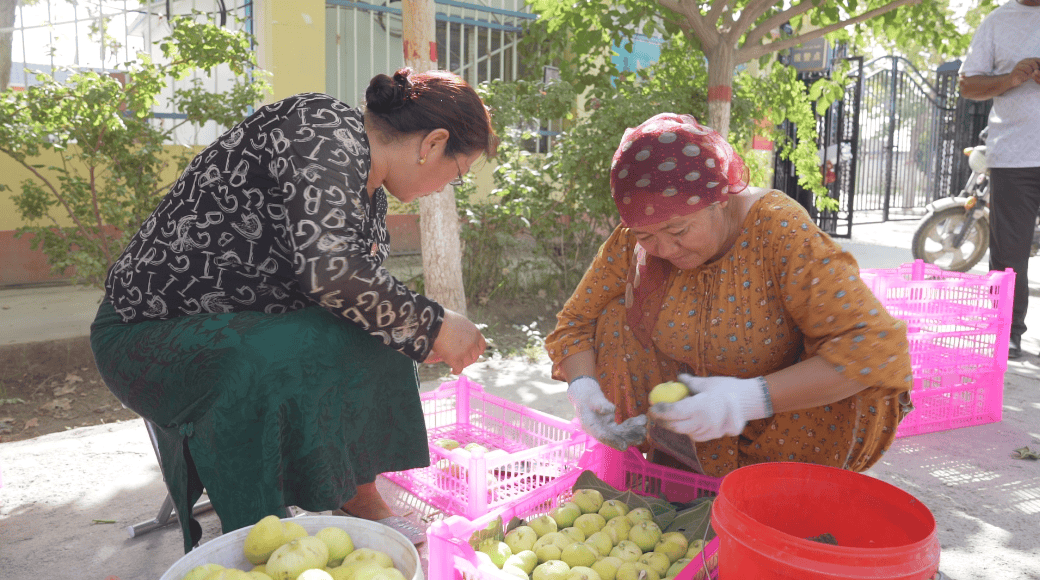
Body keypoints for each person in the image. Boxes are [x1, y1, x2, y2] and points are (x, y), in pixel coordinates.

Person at [90, 68, 496, 551]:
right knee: (262, 359)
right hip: (146, 334)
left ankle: (357, 496)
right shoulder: (319, 125)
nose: (447, 185)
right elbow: (329, 270)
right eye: (458, 171)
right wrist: (436, 325)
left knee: (379, 327)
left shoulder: (367, 200)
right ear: (432, 144)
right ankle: (262, 534)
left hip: (242, 328)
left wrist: (419, 328)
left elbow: (358, 295)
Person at [544, 113, 914, 478]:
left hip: (785, 420)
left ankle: (786, 483)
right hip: (696, 412)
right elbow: (575, 322)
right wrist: (584, 388)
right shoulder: (638, 237)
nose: (666, 249)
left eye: (679, 230)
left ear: (719, 199)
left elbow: (874, 345)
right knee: (612, 320)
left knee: (862, 374)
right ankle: (674, 458)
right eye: (647, 237)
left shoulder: (779, 228)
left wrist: (749, 398)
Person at [958, 0, 1040, 359]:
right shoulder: (998, 21)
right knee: (1008, 253)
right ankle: (1005, 333)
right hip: (1013, 156)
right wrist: (1011, 78)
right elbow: (967, 85)